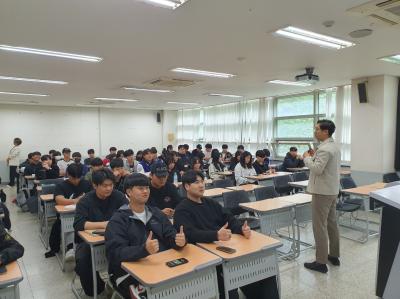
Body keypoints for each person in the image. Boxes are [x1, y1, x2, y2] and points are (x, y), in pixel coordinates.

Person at [174, 170, 279, 299]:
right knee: (229, 288)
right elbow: (190, 235)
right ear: (186, 186)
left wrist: (241, 229)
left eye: (202, 181)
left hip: (226, 250)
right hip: (206, 257)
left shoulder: (210, 203)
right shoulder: (181, 210)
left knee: (265, 271)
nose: (201, 185)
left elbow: (229, 219)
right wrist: (215, 235)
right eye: (197, 182)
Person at [105, 173, 186, 298]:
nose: (145, 191)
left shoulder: (156, 213)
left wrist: (178, 241)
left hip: (161, 265)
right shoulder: (118, 220)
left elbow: (170, 235)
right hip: (129, 273)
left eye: (147, 188)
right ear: (129, 192)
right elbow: (114, 253)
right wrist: (144, 249)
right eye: (140, 188)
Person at [73, 168, 128, 297]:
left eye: (111, 185)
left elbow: (128, 214)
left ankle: (119, 284)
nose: (109, 189)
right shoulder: (85, 201)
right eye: (105, 186)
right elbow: (79, 224)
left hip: (115, 238)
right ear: (95, 185)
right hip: (89, 243)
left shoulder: (118, 196)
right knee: (83, 260)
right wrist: (105, 224)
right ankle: (97, 290)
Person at [303, 120, 341, 274]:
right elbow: (324, 166)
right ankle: (334, 255)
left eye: (317, 129)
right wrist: (314, 157)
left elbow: (317, 169)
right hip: (332, 190)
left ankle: (320, 262)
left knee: (319, 227)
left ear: (326, 132)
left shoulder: (324, 149)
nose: (315, 131)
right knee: (332, 224)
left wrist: (305, 158)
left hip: (322, 192)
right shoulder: (334, 146)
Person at [46, 163, 92, 259]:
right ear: (67, 175)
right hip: (66, 215)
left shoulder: (86, 184)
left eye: (78, 178)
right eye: (73, 178)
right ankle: (67, 248)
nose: (76, 181)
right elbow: (59, 200)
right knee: (59, 227)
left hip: (85, 215)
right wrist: (76, 200)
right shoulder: (61, 185)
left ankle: (76, 248)